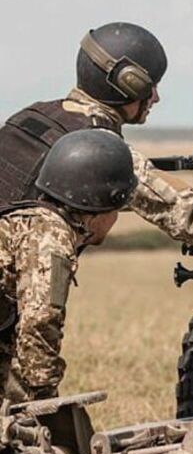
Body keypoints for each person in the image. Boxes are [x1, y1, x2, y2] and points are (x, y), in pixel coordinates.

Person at [0, 23, 193, 256]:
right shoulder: (98, 147)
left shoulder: (31, 116)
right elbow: (178, 211)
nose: (156, 98)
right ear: (128, 84)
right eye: (150, 87)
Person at [0, 129, 138, 404]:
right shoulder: (51, 238)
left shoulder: (26, 223)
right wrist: (43, 400)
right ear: (100, 208)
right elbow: (40, 322)